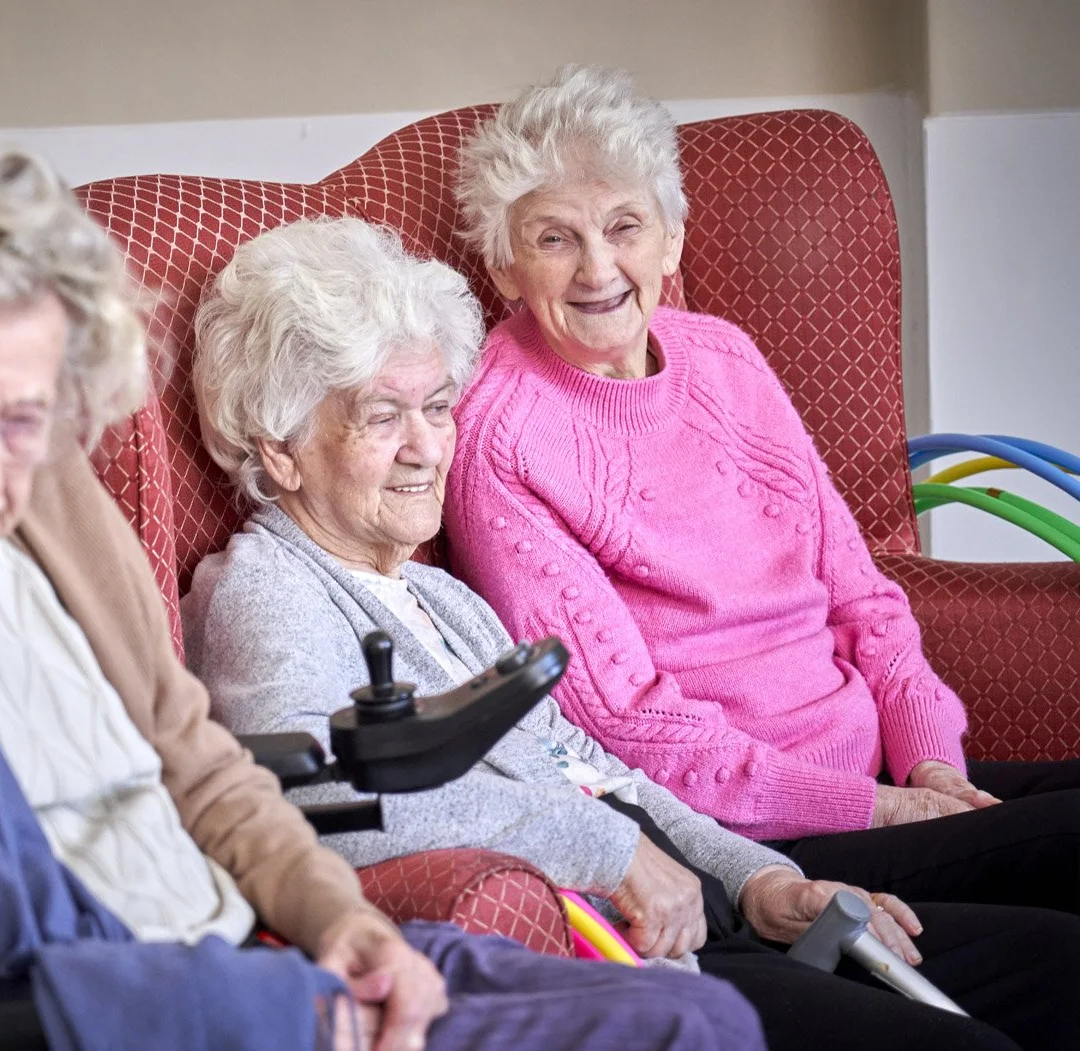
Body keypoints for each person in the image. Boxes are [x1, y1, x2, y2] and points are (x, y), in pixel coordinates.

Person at [0, 135, 765, 1051]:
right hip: (135, 1009)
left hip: (249, 949)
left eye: (24, 418)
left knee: (698, 1015)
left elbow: (195, 753)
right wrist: (292, 1014)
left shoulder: (43, 481)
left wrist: (341, 923)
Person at [183, 214, 1080, 1051]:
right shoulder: (266, 592)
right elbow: (312, 802)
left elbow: (593, 764)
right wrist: (609, 850)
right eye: (382, 416)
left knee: (1056, 964)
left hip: (701, 913)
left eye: (438, 406)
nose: (427, 446)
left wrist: (759, 879)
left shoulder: (435, 594)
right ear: (279, 447)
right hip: (615, 965)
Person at [446, 62, 1080, 950]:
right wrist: (886, 809)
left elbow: (864, 595)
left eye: (625, 226)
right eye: (555, 238)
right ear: (505, 265)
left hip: (888, 772)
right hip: (767, 838)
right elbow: (624, 727)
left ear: (670, 239)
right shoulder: (500, 435)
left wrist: (932, 756)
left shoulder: (726, 358)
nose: (599, 267)